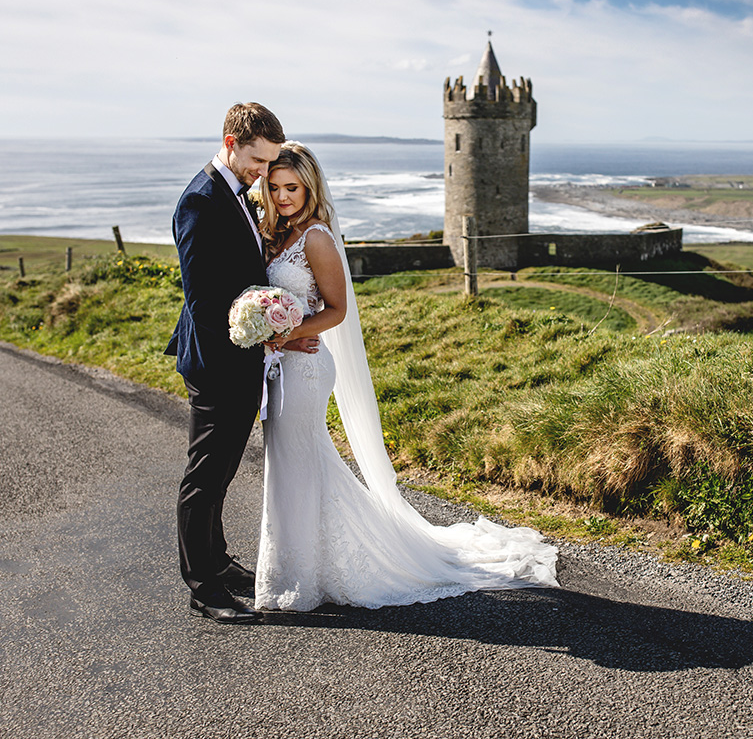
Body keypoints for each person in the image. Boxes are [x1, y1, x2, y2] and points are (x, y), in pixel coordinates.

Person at [252, 142, 558, 611]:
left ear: (309, 186)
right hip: (282, 365)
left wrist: (284, 334)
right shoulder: (280, 233)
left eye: (291, 187)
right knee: (292, 463)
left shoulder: (316, 237)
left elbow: (336, 311)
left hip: (307, 367)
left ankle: (309, 572)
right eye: (274, 188)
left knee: (301, 462)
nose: (283, 196)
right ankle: (299, 567)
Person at [165, 103, 319, 624]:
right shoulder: (200, 202)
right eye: (257, 160)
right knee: (205, 476)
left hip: (242, 359)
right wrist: (267, 339)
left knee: (225, 469)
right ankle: (203, 587)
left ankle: (218, 561)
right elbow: (205, 303)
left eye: (269, 161)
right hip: (218, 362)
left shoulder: (236, 192)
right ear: (230, 141)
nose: (263, 173)